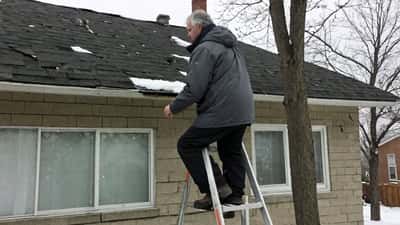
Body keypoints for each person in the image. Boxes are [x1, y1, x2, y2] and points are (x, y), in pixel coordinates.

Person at [163, 9, 254, 217]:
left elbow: (195, 88)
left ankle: (217, 189)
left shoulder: (205, 48)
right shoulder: (233, 47)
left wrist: (173, 107)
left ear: (199, 28)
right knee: (230, 150)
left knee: (187, 144)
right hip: (243, 110)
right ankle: (233, 196)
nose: (188, 34)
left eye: (189, 30)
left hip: (221, 110)